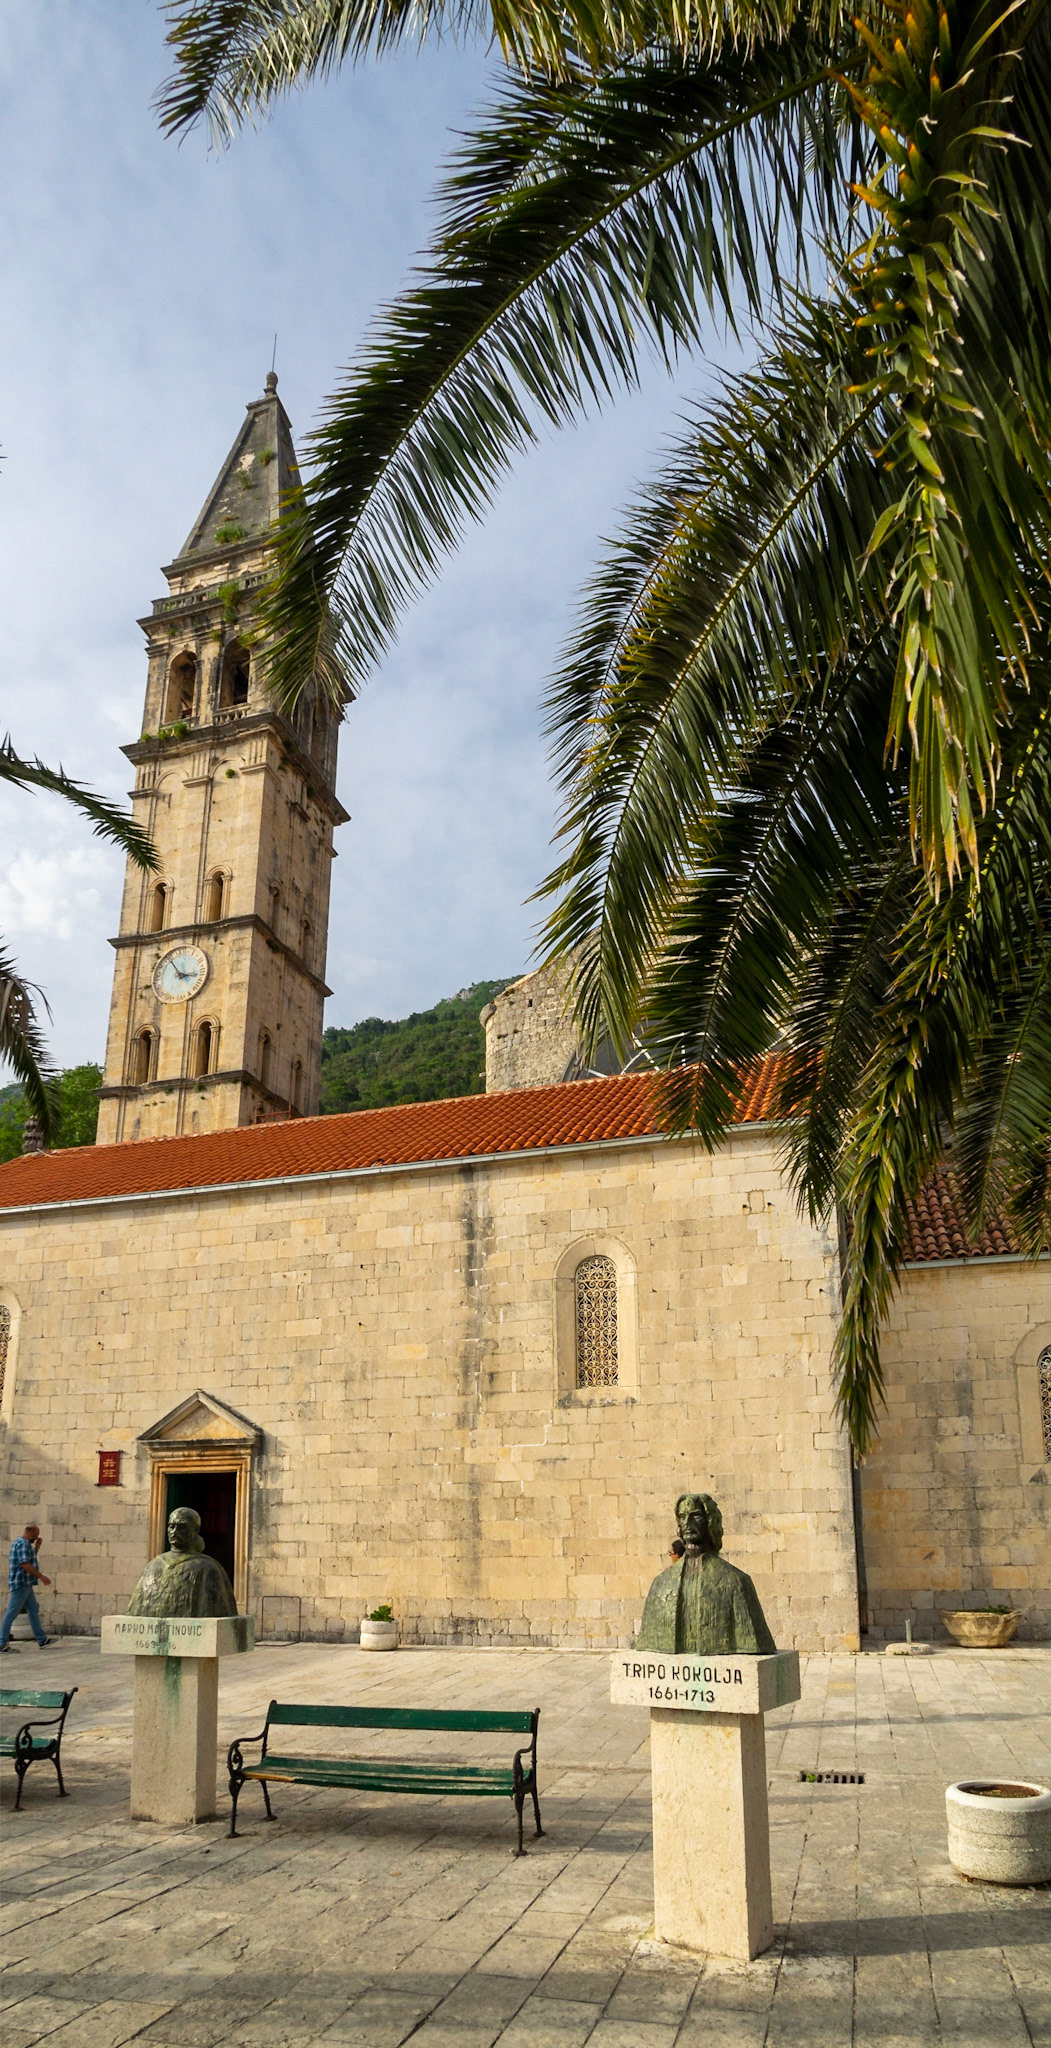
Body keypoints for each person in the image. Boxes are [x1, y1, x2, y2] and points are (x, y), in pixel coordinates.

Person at [637, 1492, 776, 1655]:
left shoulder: (736, 1581)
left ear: (710, 1522)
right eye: (682, 1517)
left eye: (695, 1517)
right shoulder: (661, 1584)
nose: (687, 1523)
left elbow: (756, 1641)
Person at [127, 1506, 237, 1618]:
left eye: (182, 1527)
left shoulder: (208, 1568)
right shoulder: (153, 1565)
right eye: (171, 1526)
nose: (174, 1532)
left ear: (196, 1530)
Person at [1, 1523, 52, 1650]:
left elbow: (29, 1558)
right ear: (29, 1533)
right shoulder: (23, 1544)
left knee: (33, 1610)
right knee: (11, 1613)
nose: (35, 1538)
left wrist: (37, 1547)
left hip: (26, 1584)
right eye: (35, 1536)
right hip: (21, 1583)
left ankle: (41, 1639)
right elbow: (25, 1564)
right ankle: (1, 1643)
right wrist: (41, 1576)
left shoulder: (21, 1544)